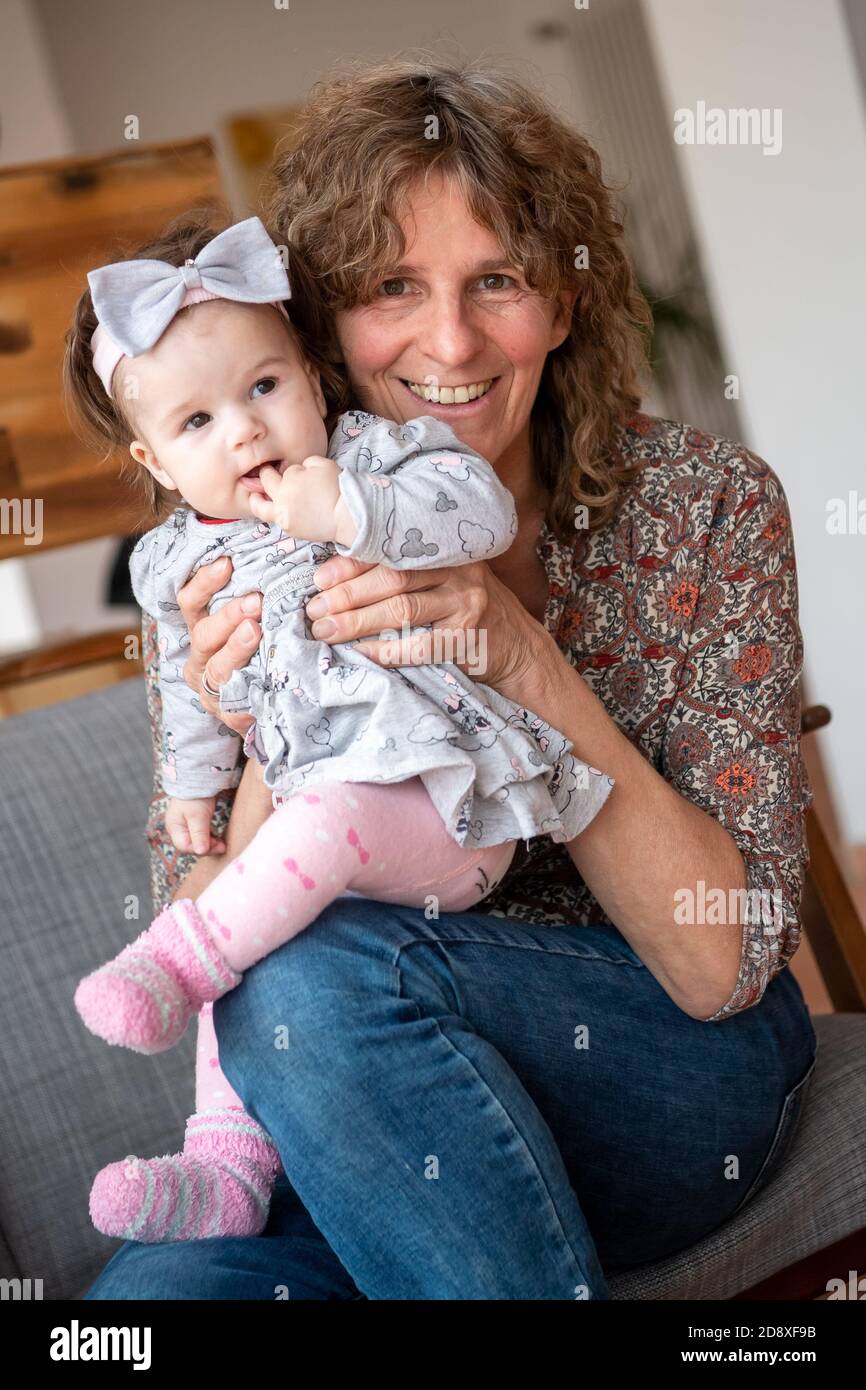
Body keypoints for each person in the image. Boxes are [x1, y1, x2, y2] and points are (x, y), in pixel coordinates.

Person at [83, 55, 817, 1300]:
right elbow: (213, 934)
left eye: (497, 281)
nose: (450, 340)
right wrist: (258, 722)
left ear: (562, 308)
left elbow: (722, 963)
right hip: (367, 1113)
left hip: (663, 1073)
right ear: (318, 338)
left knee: (316, 978)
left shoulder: (700, 507)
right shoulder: (217, 563)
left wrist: (521, 656)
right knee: (147, 1308)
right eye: (389, 289)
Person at [65, 214, 613, 1243]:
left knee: (297, 846)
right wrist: (189, 788)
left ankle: (178, 959)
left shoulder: (374, 457)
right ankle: (222, 1161)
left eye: (263, 387)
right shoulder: (176, 563)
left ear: (312, 378)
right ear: (153, 460)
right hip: (326, 826)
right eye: (197, 423)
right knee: (262, 931)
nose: (245, 431)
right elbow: (188, 689)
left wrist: (350, 509)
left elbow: (478, 513)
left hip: (444, 807)